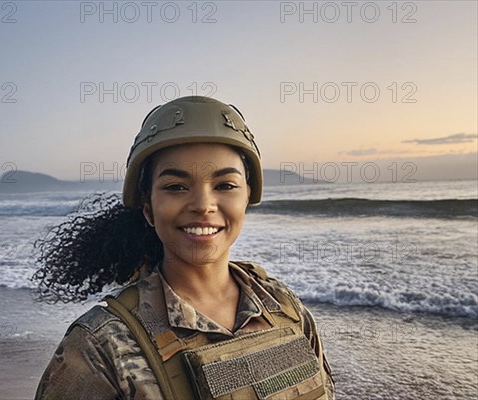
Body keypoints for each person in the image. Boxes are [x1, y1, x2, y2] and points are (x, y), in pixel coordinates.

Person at [33, 96, 335, 399]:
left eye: (225, 185)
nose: (203, 206)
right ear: (148, 208)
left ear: (247, 198)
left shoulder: (283, 306)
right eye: (176, 187)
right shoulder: (101, 344)